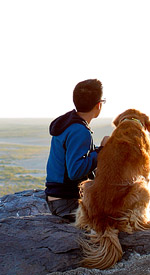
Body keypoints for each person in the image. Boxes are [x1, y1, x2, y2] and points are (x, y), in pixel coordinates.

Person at [45, 78, 110, 221]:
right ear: (98, 105)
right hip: (67, 203)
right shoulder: (80, 131)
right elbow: (75, 171)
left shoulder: (68, 124)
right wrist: (102, 151)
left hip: (56, 198)